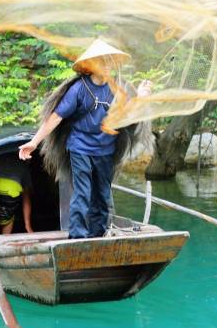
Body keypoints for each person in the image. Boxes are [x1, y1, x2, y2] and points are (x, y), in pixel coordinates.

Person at [18, 38, 152, 239]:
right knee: (82, 193)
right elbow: (56, 116)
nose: (107, 66)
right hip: (80, 147)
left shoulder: (117, 88)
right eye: (102, 61)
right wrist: (34, 142)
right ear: (91, 66)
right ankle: (78, 237)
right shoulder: (79, 89)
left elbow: (130, 111)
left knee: (102, 195)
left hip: (105, 149)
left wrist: (141, 95)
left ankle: (97, 235)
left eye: (109, 61)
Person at [0, 153, 33, 234]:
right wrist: (27, 225)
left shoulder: (1, 157)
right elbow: (26, 200)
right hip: (10, 191)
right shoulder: (24, 169)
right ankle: (5, 239)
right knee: (9, 219)